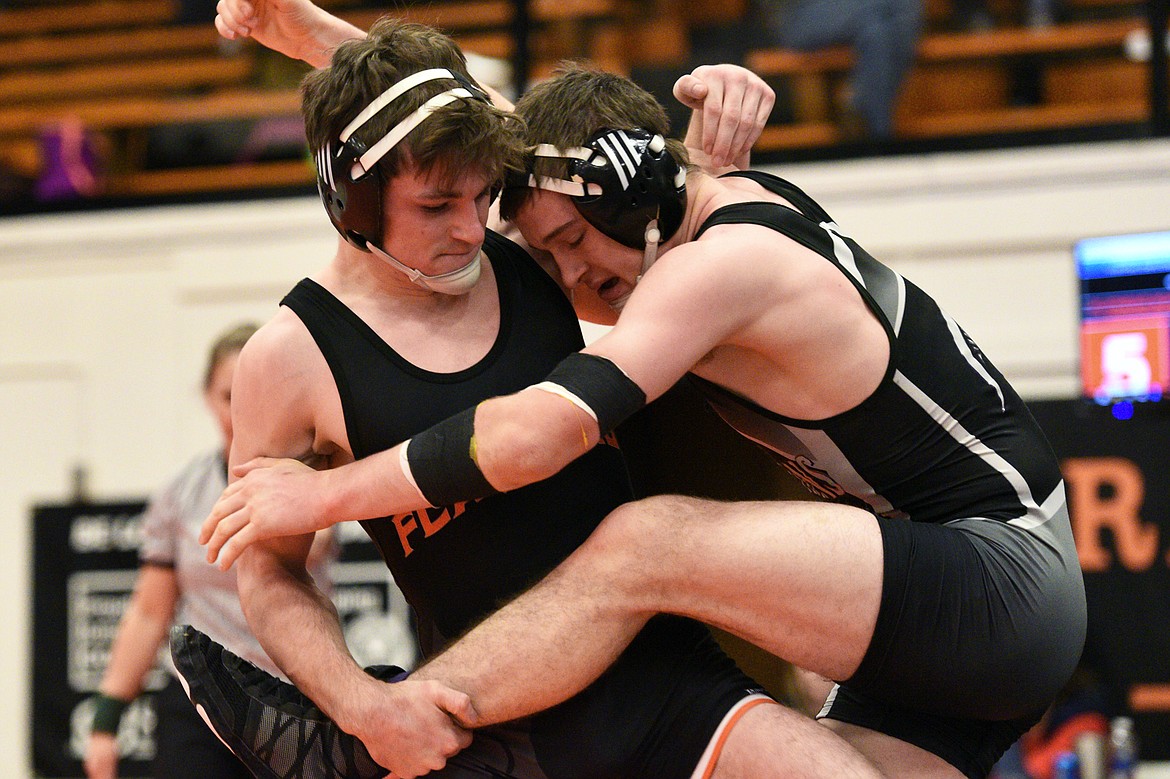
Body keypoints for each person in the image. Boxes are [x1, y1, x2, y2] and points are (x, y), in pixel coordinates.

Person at [198, 54, 1089, 779]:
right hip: (529, 718)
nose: (480, 232)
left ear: (631, 188)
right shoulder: (293, 351)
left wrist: (319, 502)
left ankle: (353, 757)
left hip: (983, 579)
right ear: (350, 199)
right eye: (442, 204)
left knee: (644, 539)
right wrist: (307, 30)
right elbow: (507, 129)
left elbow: (530, 434)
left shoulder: (704, 267)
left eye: (571, 240)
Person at [82, 323, 335, 779]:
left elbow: (315, 548)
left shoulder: (311, 476)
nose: (241, 410)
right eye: (227, 396)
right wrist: (106, 718)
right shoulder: (180, 493)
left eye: (254, 393)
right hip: (199, 698)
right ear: (206, 397)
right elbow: (148, 612)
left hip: (297, 689)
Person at [753, 0, 923, 139]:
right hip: (796, 16)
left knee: (877, 32)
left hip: (861, 12)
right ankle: (873, 127)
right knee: (897, 7)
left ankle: (864, 115)